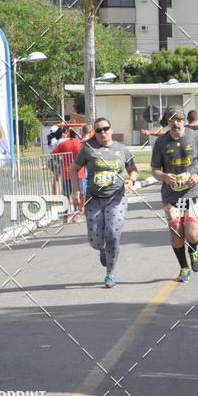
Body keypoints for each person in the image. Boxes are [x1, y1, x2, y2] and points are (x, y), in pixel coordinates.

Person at [71, 118, 138, 288]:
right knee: (95, 241)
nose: (102, 133)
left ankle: (110, 274)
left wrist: (131, 180)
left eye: (105, 129)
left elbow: (133, 170)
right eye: (98, 130)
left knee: (113, 234)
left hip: (116, 197)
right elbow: (74, 168)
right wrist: (76, 191)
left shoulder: (122, 149)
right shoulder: (88, 149)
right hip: (93, 198)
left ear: (111, 129)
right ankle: (101, 249)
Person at [150, 105, 198, 283]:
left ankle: (193, 250)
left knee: (192, 234)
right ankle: (183, 268)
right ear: (168, 122)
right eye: (172, 120)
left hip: (193, 193)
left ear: (184, 120)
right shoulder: (161, 142)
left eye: (179, 119)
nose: (176, 123)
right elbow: (154, 170)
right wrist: (163, 176)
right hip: (171, 196)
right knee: (177, 234)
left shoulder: (196, 137)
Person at [52, 128, 85, 221]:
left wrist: (59, 161)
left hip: (66, 171)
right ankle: (76, 215)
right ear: (77, 134)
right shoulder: (81, 144)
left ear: (69, 134)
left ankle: (65, 215)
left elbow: (53, 153)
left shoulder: (63, 144)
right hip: (80, 172)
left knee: (66, 194)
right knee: (79, 193)